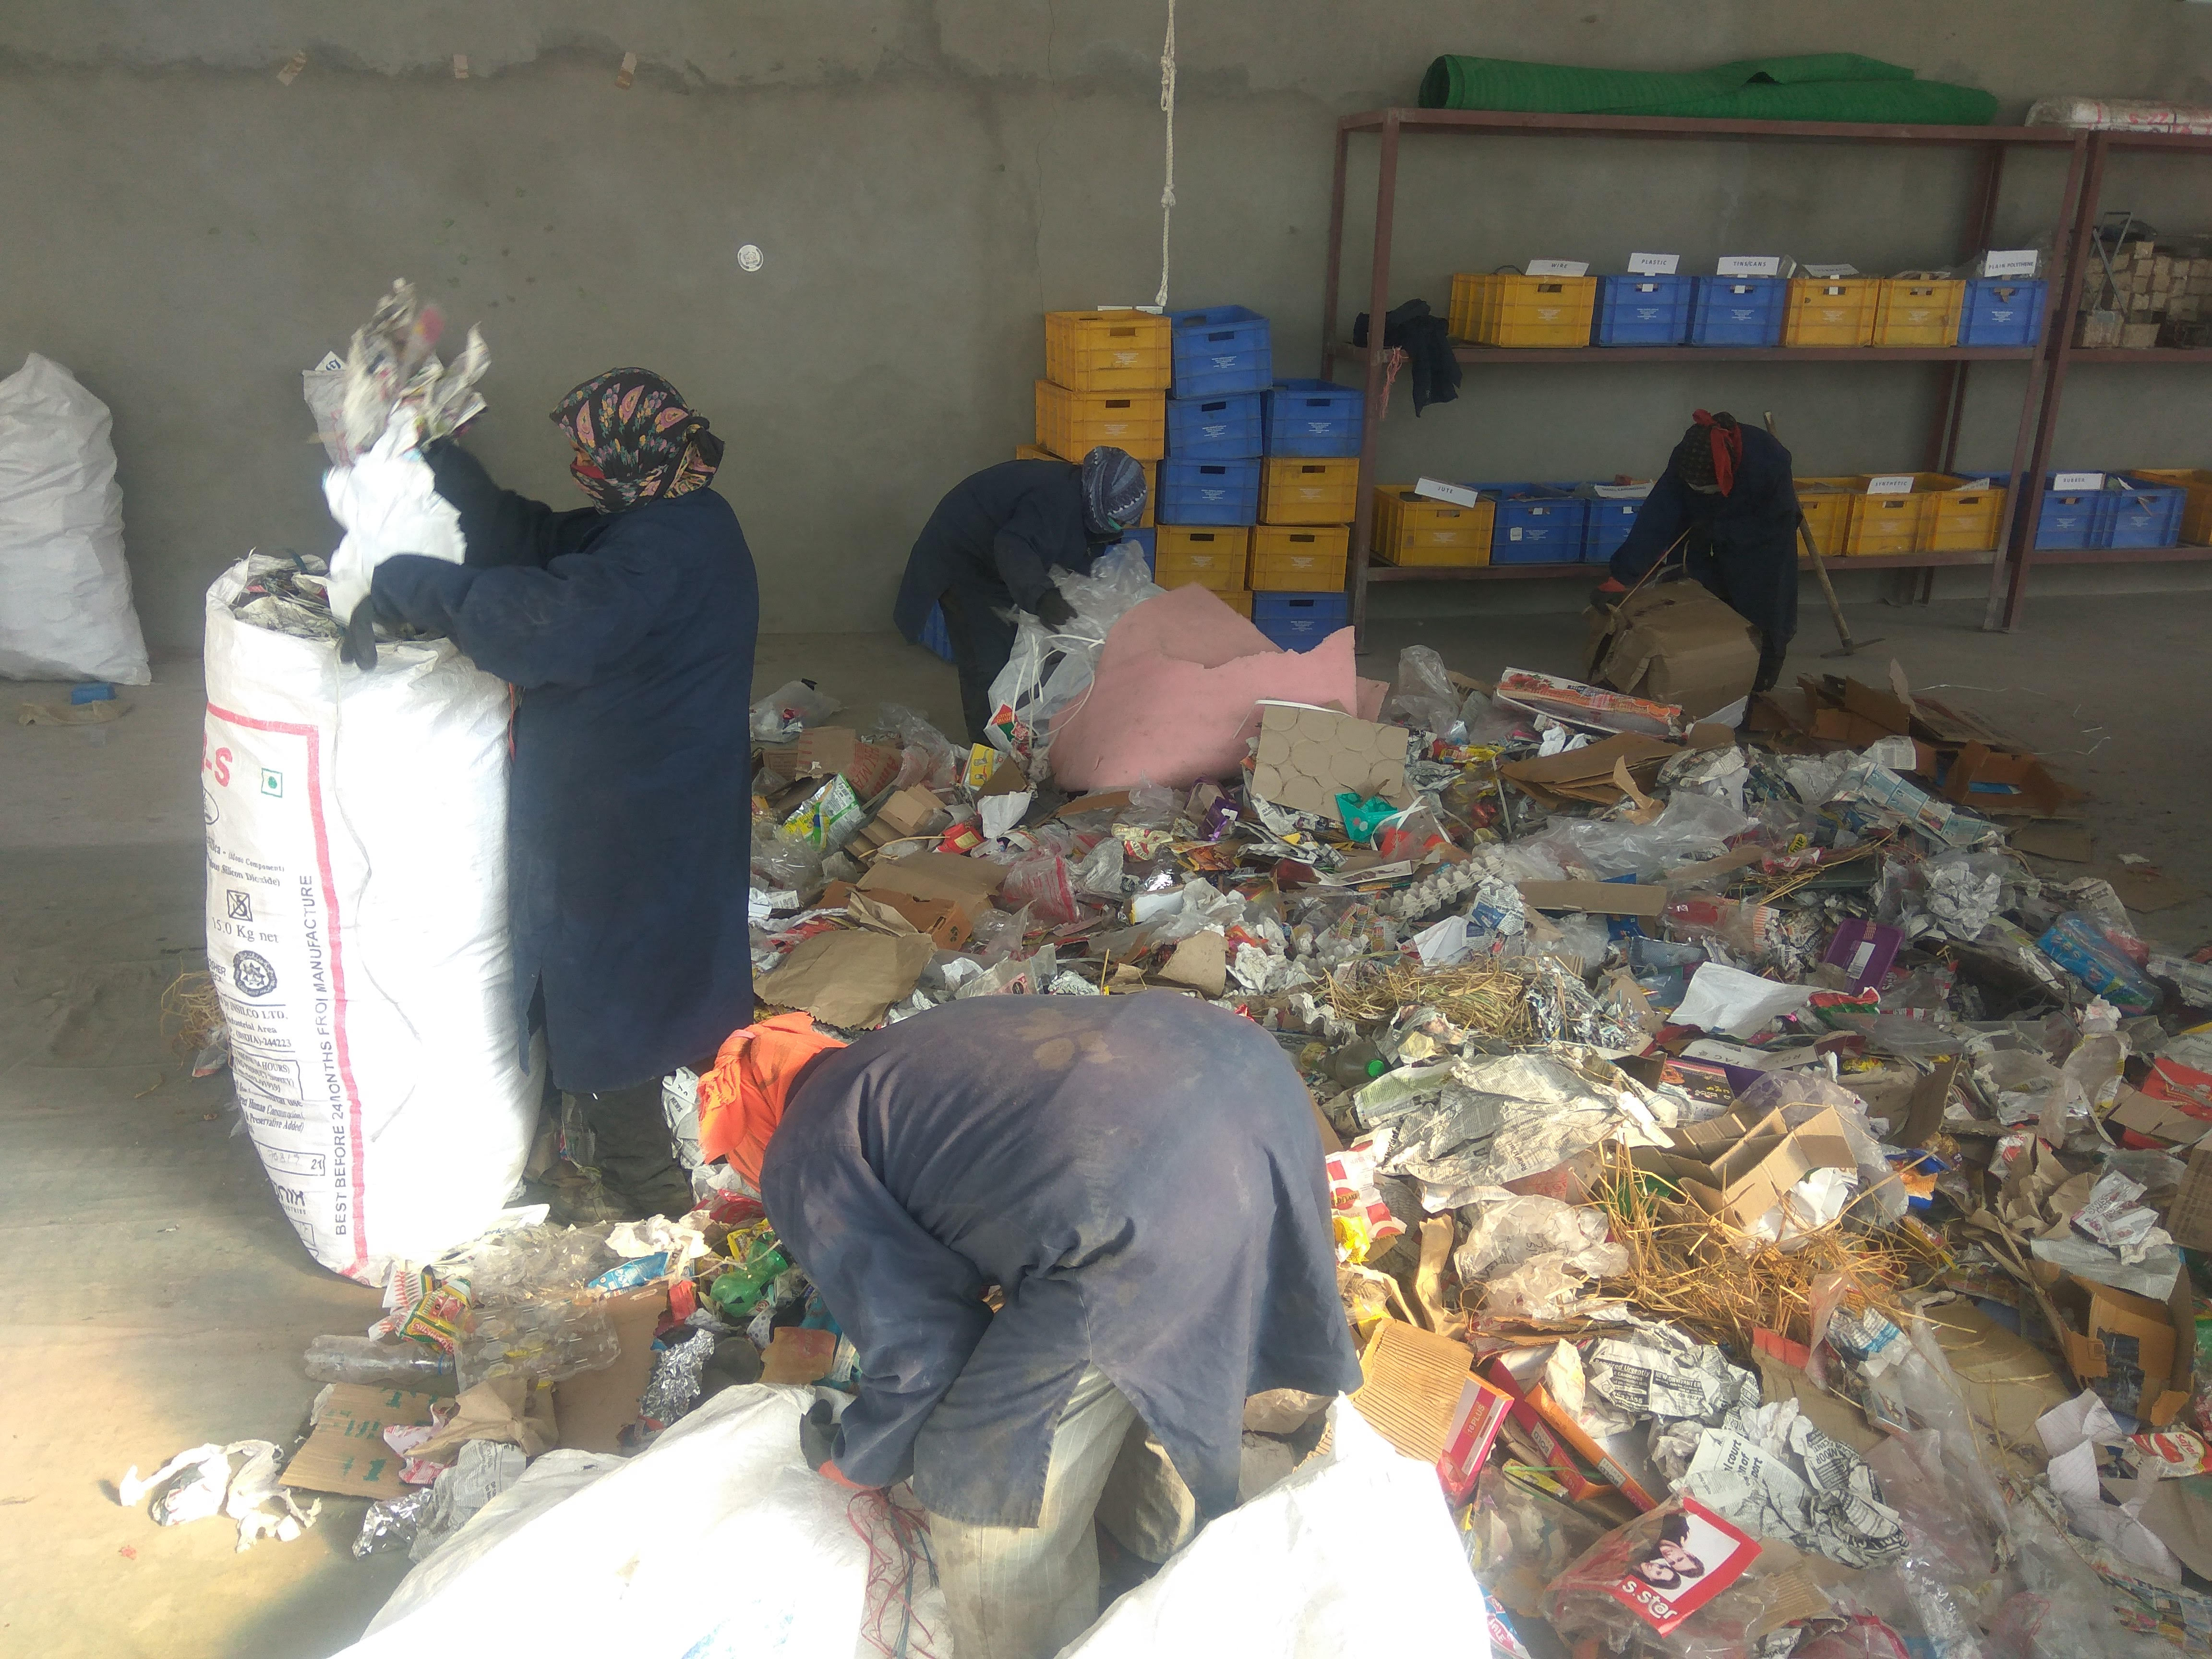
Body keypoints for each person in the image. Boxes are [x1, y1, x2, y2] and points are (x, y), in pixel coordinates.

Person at [694, 995, 1361, 1659]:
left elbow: (925, 1349)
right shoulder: (888, 1062)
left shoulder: (803, 1152)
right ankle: (1152, 1559)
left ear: (751, 1127)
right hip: (1246, 1078)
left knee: (980, 1477)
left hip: (1138, 1196)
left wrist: (862, 1458)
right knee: (1157, 1356)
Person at [365, 369, 757, 1221]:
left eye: (589, 453)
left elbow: (549, 626)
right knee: (651, 984)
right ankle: (634, 1135)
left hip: (633, 818)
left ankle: (645, 1203)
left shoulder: (660, 548)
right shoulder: (675, 516)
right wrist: (444, 461)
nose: (579, 468)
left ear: (629, 459)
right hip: (662, 797)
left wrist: (411, 583)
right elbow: (540, 539)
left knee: (616, 995)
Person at [892, 447, 1149, 741]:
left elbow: (1084, 549)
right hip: (964, 559)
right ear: (1095, 502)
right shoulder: (1056, 500)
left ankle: (1013, 732)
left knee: (1017, 652)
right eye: (1113, 522)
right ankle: (990, 751)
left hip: (998, 561)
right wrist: (1042, 597)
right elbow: (1013, 545)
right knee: (987, 663)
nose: (1116, 529)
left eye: (1121, 525)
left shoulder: (1088, 504)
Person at [1594, 409, 1801, 692]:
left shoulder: (1769, 460)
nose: (1698, 490)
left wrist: (1722, 530)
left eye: (1705, 487)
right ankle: (1697, 666)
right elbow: (1659, 513)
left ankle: (1759, 679)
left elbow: (1780, 520)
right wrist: (1623, 575)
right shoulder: (1686, 456)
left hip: (1761, 538)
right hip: (1705, 527)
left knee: (1764, 603)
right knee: (1695, 592)